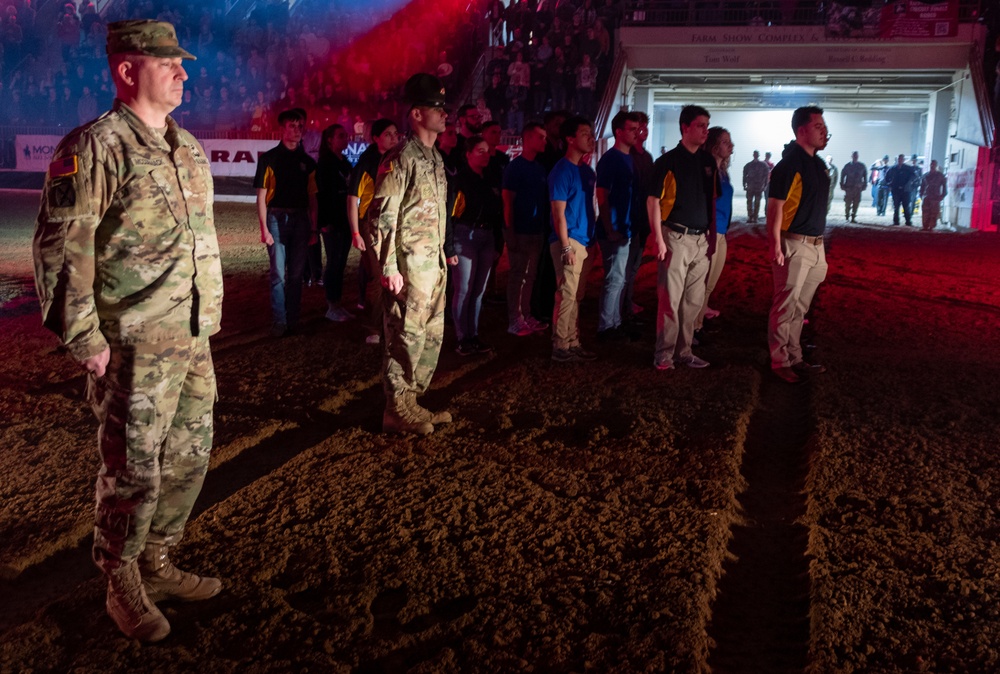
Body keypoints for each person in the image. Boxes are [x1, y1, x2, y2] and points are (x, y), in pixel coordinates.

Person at [33, 19, 223, 643]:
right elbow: (62, 249)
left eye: (181, 62)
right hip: (133, 342)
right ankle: (122, 578)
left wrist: (207, 317)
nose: (183, 72)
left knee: (191, 455)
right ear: (126, 69)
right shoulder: (93, 148)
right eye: (168, 62)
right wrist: (85, 339)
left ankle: (159, 560)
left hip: (190, 335)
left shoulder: (188, 146)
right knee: (134, 466)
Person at [369, 73, 452, 434]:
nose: (444, 114)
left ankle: (412, 402)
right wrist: (388, 266)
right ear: (417, 114)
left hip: (431, 266)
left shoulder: (434, 158)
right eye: (437, 108)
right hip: (407, 267)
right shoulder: (400, 157)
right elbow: (381, 217)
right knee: (404, 336)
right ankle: (396, 408)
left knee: (429, 337)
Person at [647, 105, 717, 371]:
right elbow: (653, 202)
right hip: (675, 235)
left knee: (693, 301)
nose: (705, 131)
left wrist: (711, 236)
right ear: (685, 127)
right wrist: (659, 239)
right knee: (670, 299)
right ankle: (664, 354)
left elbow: (710, 199)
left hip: (700, 239)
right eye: (700, 125)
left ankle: (684, 351)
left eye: (707, 126)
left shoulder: (707, 161)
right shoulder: (667, 162)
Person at [766, 106, 831, 384]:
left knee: (800, 308)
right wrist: (775, 245)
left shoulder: (816, 163)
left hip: (816, 245)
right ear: (801, 130)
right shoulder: (789, 164)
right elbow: (775, 207)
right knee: (785, 305)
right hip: (793, 243)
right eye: (818, 126)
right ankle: (780, 360)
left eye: (824, 126)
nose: (824, 131)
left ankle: (795, 356)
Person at [255, 107, 318, 336]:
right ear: (282, 129)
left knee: (295, 274)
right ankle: (280, 321)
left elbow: (313, 198)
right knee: (278, 274)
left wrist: (313, 227)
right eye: (292, 126)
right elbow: (261, 197)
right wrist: (264, 229)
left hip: (301, 219)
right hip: (276, 217)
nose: (297, 130)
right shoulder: (269, 159)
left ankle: (293, 319)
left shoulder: (308, 163)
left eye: (300, 126)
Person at [548, 115, 598, 363]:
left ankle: (572, 341)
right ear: (570, 139)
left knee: (576, 294)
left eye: (590, 133)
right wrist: (566, 245)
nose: (591, 138)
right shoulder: (561, 171)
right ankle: (560, 345)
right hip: (569, 241)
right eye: (584, 133)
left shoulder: (586, 171)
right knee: (567, 293)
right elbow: (558, 213)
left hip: (584, 240)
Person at [451, 135, 503, 355]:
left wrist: (498, 242)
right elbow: (449, 214)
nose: (485, 155)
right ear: (468, 154)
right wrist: (449, 247)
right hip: (465, 235)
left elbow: (498, 212)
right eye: (479, 151)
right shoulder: (460, 180)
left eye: (487, 150)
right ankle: (462, 338)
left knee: (479, 291)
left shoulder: (491, 178)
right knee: (463, 289)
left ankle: (474, 335)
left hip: (487, 236)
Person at [349, 118, 399, 340]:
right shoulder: (367, 162)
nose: (394, 138)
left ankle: (389, 321)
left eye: (396, 133)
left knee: (393, 274)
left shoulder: (396, 158)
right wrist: (356, 233)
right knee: (379, 277)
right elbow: (352, 199)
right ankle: (374, 327)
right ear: (376, 138)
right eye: (388, 134)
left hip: (393, 224)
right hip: (371, 226)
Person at [595, 110, 640, 341]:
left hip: (624, 226)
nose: (637, 132)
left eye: (637, 128)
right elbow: (602, 194)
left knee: (619, 278)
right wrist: (609, 228)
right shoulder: (611, 159)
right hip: (613, 229)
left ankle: (614, 322)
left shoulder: (627, 157)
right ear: (619, 132)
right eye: (632, 129)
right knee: (614, 278)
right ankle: (607, 327)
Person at [502, 122, 550, 337]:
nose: (544, 141)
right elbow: (507, 201)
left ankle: (526, 314)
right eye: (540, 137)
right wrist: (510, 231)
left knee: (530, 275)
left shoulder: (540, 168)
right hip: (520, 231)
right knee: (517, 274)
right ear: (528, 139)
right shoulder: (515, 167)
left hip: (536, 230)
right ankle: (514, 318)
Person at [695, 126, 734, 342]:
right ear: (714, 145)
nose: (730, 146)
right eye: (725, 142)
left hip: (721, 232)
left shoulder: (723, 172)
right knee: (702, 282)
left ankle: (699, 320)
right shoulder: (707, 172)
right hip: (710, 231)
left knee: (710, 282)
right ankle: (695, 327)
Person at [316, 124, 354, 321]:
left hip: (346, 220)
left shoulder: (345, 163)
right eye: (341, 136)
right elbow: (321, 195)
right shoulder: (324, 164)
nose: (345, 138)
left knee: (341, 263)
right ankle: (332, 305)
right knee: (333, 262)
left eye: (345, 135)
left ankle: (338, 303)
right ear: (330, 139)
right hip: (332, 222)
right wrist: (324, 222)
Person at [624, 110, 654, 321]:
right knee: (625, 266)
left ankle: (627, 301)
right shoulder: (627, 156)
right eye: (638, 127)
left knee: (634, 265)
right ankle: (622, 304)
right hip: (629, 218)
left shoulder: (647, 157)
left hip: (642, 218)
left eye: (643, 126)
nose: (642, 131)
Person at [884, 153, 918, 226]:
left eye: (902, 159)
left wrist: (910, 183)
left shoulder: (908, 168)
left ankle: (908, 221)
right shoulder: (893, 168)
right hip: (896, 190)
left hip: (905, 190)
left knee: (906, 206)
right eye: (899, 159)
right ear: (897, 160)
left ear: (904, 160)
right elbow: (886, 177)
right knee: (896, 207)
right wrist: (889, 184)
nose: (900, 160)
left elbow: (915, 176)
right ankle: (896, 221)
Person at [919, 159, 947, 231]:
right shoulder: (925, 175)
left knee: (934, 213)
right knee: (925, 212)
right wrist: (921, 194)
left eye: (934, 164)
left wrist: (943, 195)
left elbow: (944, 186)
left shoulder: (940, 176)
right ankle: (925, 226)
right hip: (927, 196)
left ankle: (931, 226)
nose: (932, 166)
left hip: (935, 196)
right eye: (931, 164)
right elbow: (922, 186)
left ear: (936, 166)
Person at [742, 150, 769, 224]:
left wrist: (765, 185)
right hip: (750, 186)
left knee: (757, 202)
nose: (755, 155)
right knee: (749, 202)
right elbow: (744, 175)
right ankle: (750, 216)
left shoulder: (763, 165)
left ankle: (755, 217)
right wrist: (744, 184)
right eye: (755, 154)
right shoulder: (748, 165)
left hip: (759, 187)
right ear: (753, 155)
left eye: (757, 154)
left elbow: (766, 176)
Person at [840, 151, 867, 223]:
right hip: (849, 187)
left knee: (856, 203)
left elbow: (865, 176)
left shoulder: (862, 166)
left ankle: (853, 216)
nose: (855, 157)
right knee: (848, 203)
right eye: (854, 156)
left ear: (858, 156)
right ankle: (847, 215)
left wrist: (864, 185)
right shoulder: (847, 166)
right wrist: (842, 184)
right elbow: (842, 175)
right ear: (851, 156)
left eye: (856, 156)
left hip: (858, 188)